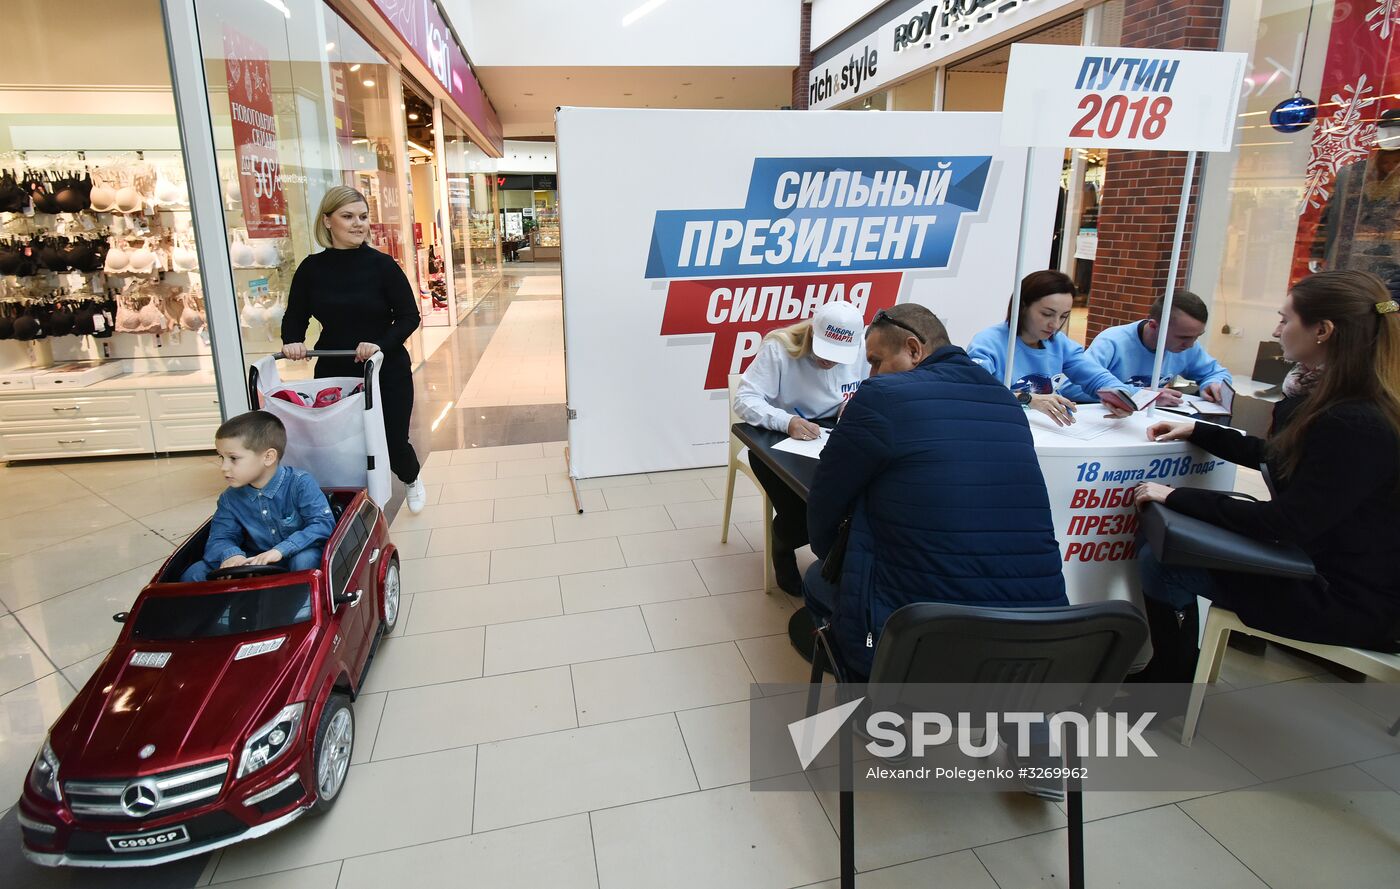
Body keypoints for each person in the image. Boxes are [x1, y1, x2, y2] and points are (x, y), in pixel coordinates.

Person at [1133, 270, 1400, 681]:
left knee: (1163, 559)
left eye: (1284, 319)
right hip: (1328, 567)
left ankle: (1172, 678)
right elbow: (1281, 457)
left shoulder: (1353, 421)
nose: (1276, 331)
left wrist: (1175, 497)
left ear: (1323, 331)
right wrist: (1199, 431)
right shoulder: (1348, 400)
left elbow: (1284, 523)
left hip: (1346, 599)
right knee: (1166, 537)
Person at [802, 303, 1069, 680]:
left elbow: (825, 502)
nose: (871, 374)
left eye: (876, 361)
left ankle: (866, 691)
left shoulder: (881, 396)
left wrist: (832, 555)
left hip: (921, 645)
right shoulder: (1005, 400)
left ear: (913, 349)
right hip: (1039, 649)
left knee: (817, 578)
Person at [282, 185, 427, 513]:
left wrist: (379, 344)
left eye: (363, 217)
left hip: (385, 367)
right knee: (339, 442)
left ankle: (411, 477)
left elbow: (409, 316)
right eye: (348, 216)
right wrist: (292, 341)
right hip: (334, 367)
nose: (358, 224)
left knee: (391, 438)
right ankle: (353, 503)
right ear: (327, 220)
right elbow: (296, 315)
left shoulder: (383, 266)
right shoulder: (311, 269)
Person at [734, 300, 869, 595]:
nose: (830, 362)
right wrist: (787, 421)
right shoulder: (779, 349)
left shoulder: (863, 347)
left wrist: (856, 405)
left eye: (838, 356)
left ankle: (835, 562)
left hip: (833, 436)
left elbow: (872, 386)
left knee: (850, 501)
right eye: (825, 352)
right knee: (803, 509)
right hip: (777, 442)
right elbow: (744, 400)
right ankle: (783, 542)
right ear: (811, 334)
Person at [966, 270, 1137, 426]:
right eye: (1047, 314)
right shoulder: (988, 343)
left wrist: (1121, 397)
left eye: (1064, 316)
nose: (1055, 324)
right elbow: (973, 391)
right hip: (1003, 428)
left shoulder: (1060, 344)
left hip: (1050, 431)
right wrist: (1028, 399)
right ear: (1023, 306)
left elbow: (1097, 377)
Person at [181, 411, 335, 583]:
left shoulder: (300, 483)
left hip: (296, 553)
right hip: (254, 561)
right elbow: (220, 537)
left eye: (233, 458)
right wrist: (232, 556)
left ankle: (301, 600)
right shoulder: (229, 498)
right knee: (194, 573)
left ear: (268, 457)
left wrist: (281, 550)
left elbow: (322, 525)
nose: (223, 467)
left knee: (305, 560)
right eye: (221, 457)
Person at [1061, 290, 1231, 403]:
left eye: (1197, 336)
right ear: (1154, 325)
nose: (1191, 344)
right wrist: (1141, 396)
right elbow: (1072, 388)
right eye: (1183, 337)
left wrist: (1213, 384)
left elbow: (1216, 373)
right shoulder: (1112, 342)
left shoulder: (1187, 346)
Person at [1310, 108, 1400, 282]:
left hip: (1393, 261)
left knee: (1386, 297)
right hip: (1350, 256)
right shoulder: (1352, 173)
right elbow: (1331, 215)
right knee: (1349, 294)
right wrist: (1318, 253)